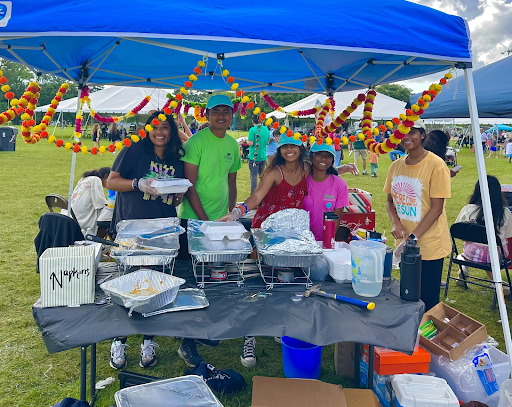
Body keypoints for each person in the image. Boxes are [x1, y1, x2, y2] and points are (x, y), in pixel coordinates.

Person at [220, 133, 310, 368]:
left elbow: (325, 176)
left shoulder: (307, 169)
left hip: (291, 236)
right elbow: (257, 196)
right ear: (279, 150)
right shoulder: (274, 173)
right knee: (258, 282)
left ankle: (279, 325)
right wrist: (238, 212)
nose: (290, 150)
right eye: (285, 147)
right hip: (266, 233)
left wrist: (343, 171)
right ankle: (249, 336)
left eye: (294, 146)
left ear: (300, 148)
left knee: (284, 282)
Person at [106, 111, 185, 370]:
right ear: (148, 128)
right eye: (155, 127)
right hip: (132, 228)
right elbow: (112, 181)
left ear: (172, 131)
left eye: (166, 128)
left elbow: (176, 192)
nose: (160, 132)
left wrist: (176, 196)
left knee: (154, 285)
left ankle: (148, 340)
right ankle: (119, 339)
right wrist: (139, 183)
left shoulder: (175, 156)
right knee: (128, 282)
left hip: (162, 228)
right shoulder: (135, 149)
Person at [177, 94, 241, 367]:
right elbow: (188, 185)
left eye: (226, 111)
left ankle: (204, 330)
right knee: (191, 280)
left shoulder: (232, 145)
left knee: (213, 277)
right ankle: (186, 341)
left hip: (221, 224)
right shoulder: (195, 142)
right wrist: (204, 222)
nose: (222, 116)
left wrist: (232, 213)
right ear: (207, 114)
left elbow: (232, 182)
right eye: (216, 111)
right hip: (193, 221)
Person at [384, 119, 451, 311]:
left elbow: (437, 208)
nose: (406, 136)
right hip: (405, 246)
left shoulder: (436, 165)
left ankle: (426, 340)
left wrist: (413, 238)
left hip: (429, 246)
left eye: (412, 132)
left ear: (422, 135)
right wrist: (396, 222)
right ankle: (411, 339)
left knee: (427, 301)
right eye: (402, 132)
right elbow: (390, 200)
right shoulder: (395, 166)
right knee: (409, 296)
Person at [455, 176, 512, 293]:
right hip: (495, 257)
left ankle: (464, 269)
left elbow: (458, 231)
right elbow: (508, 235)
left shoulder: (468, 209)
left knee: (470, 248)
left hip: (471, 254)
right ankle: (497, 283)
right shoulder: (505, 213)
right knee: (491, 254)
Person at [303, 143, 349, 241]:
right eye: (319, 154)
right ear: (311, 157)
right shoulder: (302, 181)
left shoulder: (339, 184)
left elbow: (336, 219)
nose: (323, 159)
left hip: (325, 242)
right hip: (302, 241)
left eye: (328, 156)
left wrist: (327, 241)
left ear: (332, 160)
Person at [71, 167, 110, 236]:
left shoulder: (85, 178)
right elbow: (100, 203)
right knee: (107, 219)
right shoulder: (96, 180)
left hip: (73, 216)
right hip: (83, 220)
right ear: (106, 176)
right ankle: (97, 242)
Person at [247, 114, 271, 193]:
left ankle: (253, 194)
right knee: (262, 176)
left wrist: (245, 140)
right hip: (263, 156)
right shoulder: (266, 130)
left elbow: (250, 143)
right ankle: (263, 192)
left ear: (252, 121)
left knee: (254, 176)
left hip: (254, 157)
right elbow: (267, 142)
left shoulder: (252, 130)